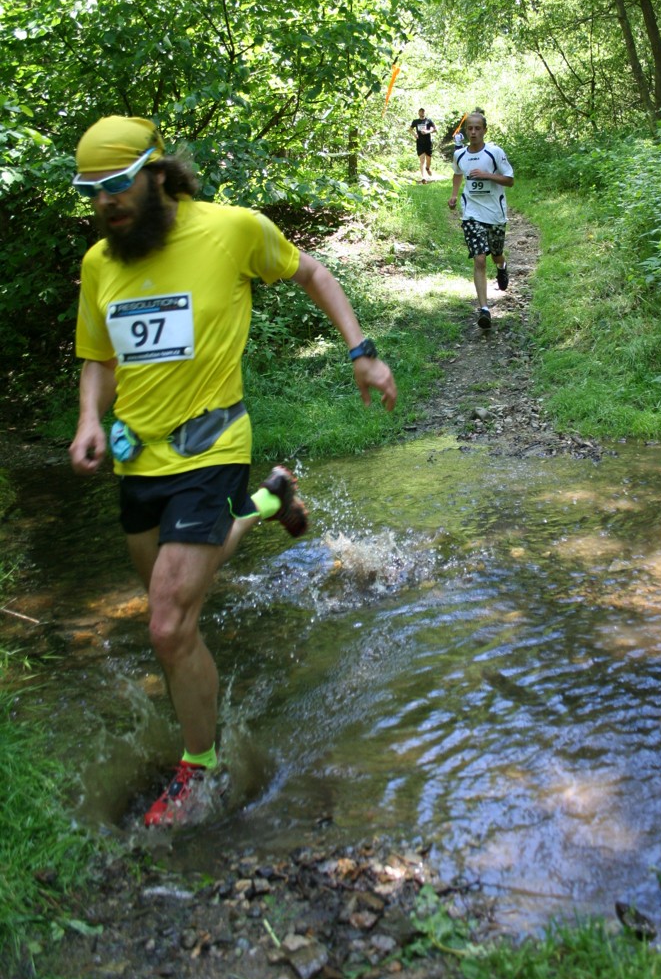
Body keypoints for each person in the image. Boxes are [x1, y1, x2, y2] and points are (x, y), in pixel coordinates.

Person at [69, 115, 397, 827]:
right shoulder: (101, 263)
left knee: (167, 625)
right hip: (137, 458)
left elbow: (311, 271)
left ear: (157, 173)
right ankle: (271, 498)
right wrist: (90, 418)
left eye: (116, 184)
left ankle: (201, 769)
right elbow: (98, 356)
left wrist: (361, 351)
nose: (105, 202)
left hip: (212, 443)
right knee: (177, 611)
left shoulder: (230, 229)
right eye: (91, 190)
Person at [447, 111, 514, 328]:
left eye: (477, 128)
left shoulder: (494, 153)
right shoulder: (459, 155)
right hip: (471, 213)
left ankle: (502, 266)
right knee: (479, 258)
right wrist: (454, 195)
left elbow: (510, 180)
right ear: (466, 131)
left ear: (484, 130)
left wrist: (487, 175)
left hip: (495, 213)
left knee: (495, 254)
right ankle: (484, 309)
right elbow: (458, 173)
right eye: (470, 128)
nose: (473, 132)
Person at [409, 108, 437, 183]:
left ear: (425, 112)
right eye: (421, 112)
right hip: (420, 143)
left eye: (423, 111)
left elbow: (435, 129)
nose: (422, 113)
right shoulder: (415, 121)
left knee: (428, 159)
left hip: (428, 143)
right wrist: (414, 134)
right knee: (422, 160)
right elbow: (410, 129)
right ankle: (423, 177)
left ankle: (427, 168)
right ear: (418, 113)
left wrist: (427, 131)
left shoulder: (429, 121)